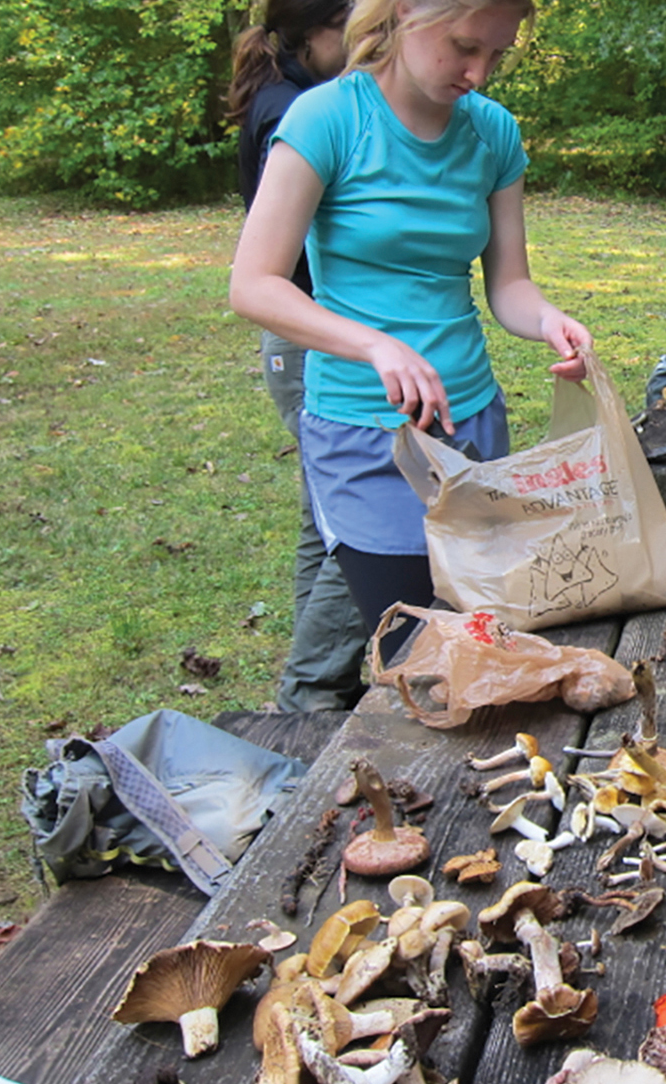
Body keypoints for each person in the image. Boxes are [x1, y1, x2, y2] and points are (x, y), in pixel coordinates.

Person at [229, 0, 592, 663]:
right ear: (403, 12)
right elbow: (253, 284)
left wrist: (547, 320)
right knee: (420, 656)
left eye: (497, 54)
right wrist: (374, 344)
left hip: (471, 425)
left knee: (483, 641)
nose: (478, 74)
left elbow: (509, 285)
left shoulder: (493, 134)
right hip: (364, 437)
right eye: (463, 46)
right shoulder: (328, 117)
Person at [226, 0, 372, 713]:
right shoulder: (300, 110)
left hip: (310, 332)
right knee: (357, 521)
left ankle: (318, 682)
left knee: (325, 517)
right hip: (306, 334)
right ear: (318, 33)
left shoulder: (286, 93)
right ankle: (310, 693)